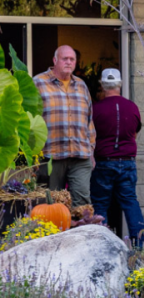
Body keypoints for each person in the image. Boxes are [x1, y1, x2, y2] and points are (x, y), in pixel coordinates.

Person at [90, 68, 144, 248]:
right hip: (127, 161)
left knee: (100, 204)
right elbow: (134, 133)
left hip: (103, 162)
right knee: (130, 203)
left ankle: (102, 248)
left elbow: (90, 136)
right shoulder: (132, 107)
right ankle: (141, 249)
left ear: (102, 85)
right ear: (120, 84)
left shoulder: (95, 109)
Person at [34, 45, 96, 206]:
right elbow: (29, 120)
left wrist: (91, 150)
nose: (68, 62)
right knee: (50, 204)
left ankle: (81, 231)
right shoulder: (38, 83)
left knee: (82, 203)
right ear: (55, 60)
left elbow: (89, 120)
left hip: (80, 154)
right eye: (65, 59)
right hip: (51, 155)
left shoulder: (81, 85)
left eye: (72, 59)